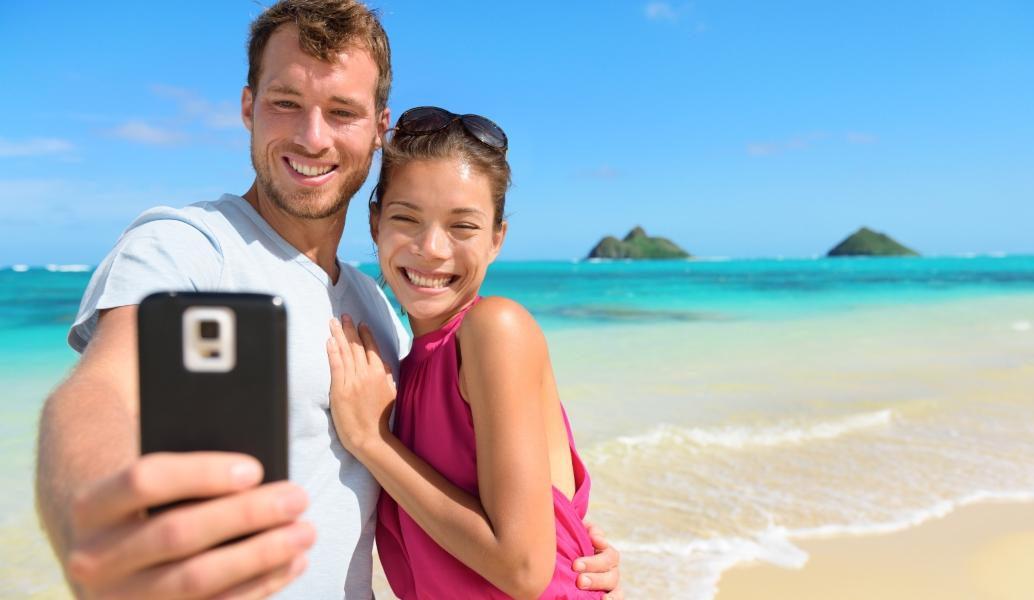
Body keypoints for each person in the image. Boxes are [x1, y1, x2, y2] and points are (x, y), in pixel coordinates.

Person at [34, 1, 621, 599]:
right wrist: (97, 519)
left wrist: (570, 548)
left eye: (342, 111)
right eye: (286, 102)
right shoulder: (191, 250)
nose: (312, 138)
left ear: (377, 128)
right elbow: (102, 391)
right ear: (247, 108)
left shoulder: (382, 315)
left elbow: (477, 503)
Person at [326, 106, 607, 599]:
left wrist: (372, 443)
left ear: (497, 238)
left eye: (463, 227)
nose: (431, 247)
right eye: (406, 218)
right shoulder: (403, 364)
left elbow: (522, 569)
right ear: (374, 223)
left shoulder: (495, 329)